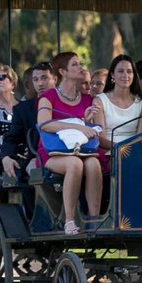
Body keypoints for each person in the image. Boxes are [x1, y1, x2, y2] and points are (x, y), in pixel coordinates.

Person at [36, 51, 102, 234]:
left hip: (81, 149)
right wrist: (80, 127)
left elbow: (91, 130)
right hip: (53, 152)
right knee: (74, 164)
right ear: (62, 72)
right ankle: (70, 221)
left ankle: (94, 220)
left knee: (93, 164)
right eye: (75, 64)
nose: (80, 67)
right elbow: (44, 124)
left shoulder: (87, 99)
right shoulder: (49, 97)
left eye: (79, 64)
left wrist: (86, 121)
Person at [91, 53, 142, 149]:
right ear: (112, 74)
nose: (125, 75)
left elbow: (140, 138)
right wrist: (120, 148)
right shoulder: (99, 101)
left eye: (129, 71)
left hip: (134, 152)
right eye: (121, 71)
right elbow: (101, 139)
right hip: (109, 153)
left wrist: (128, 150)